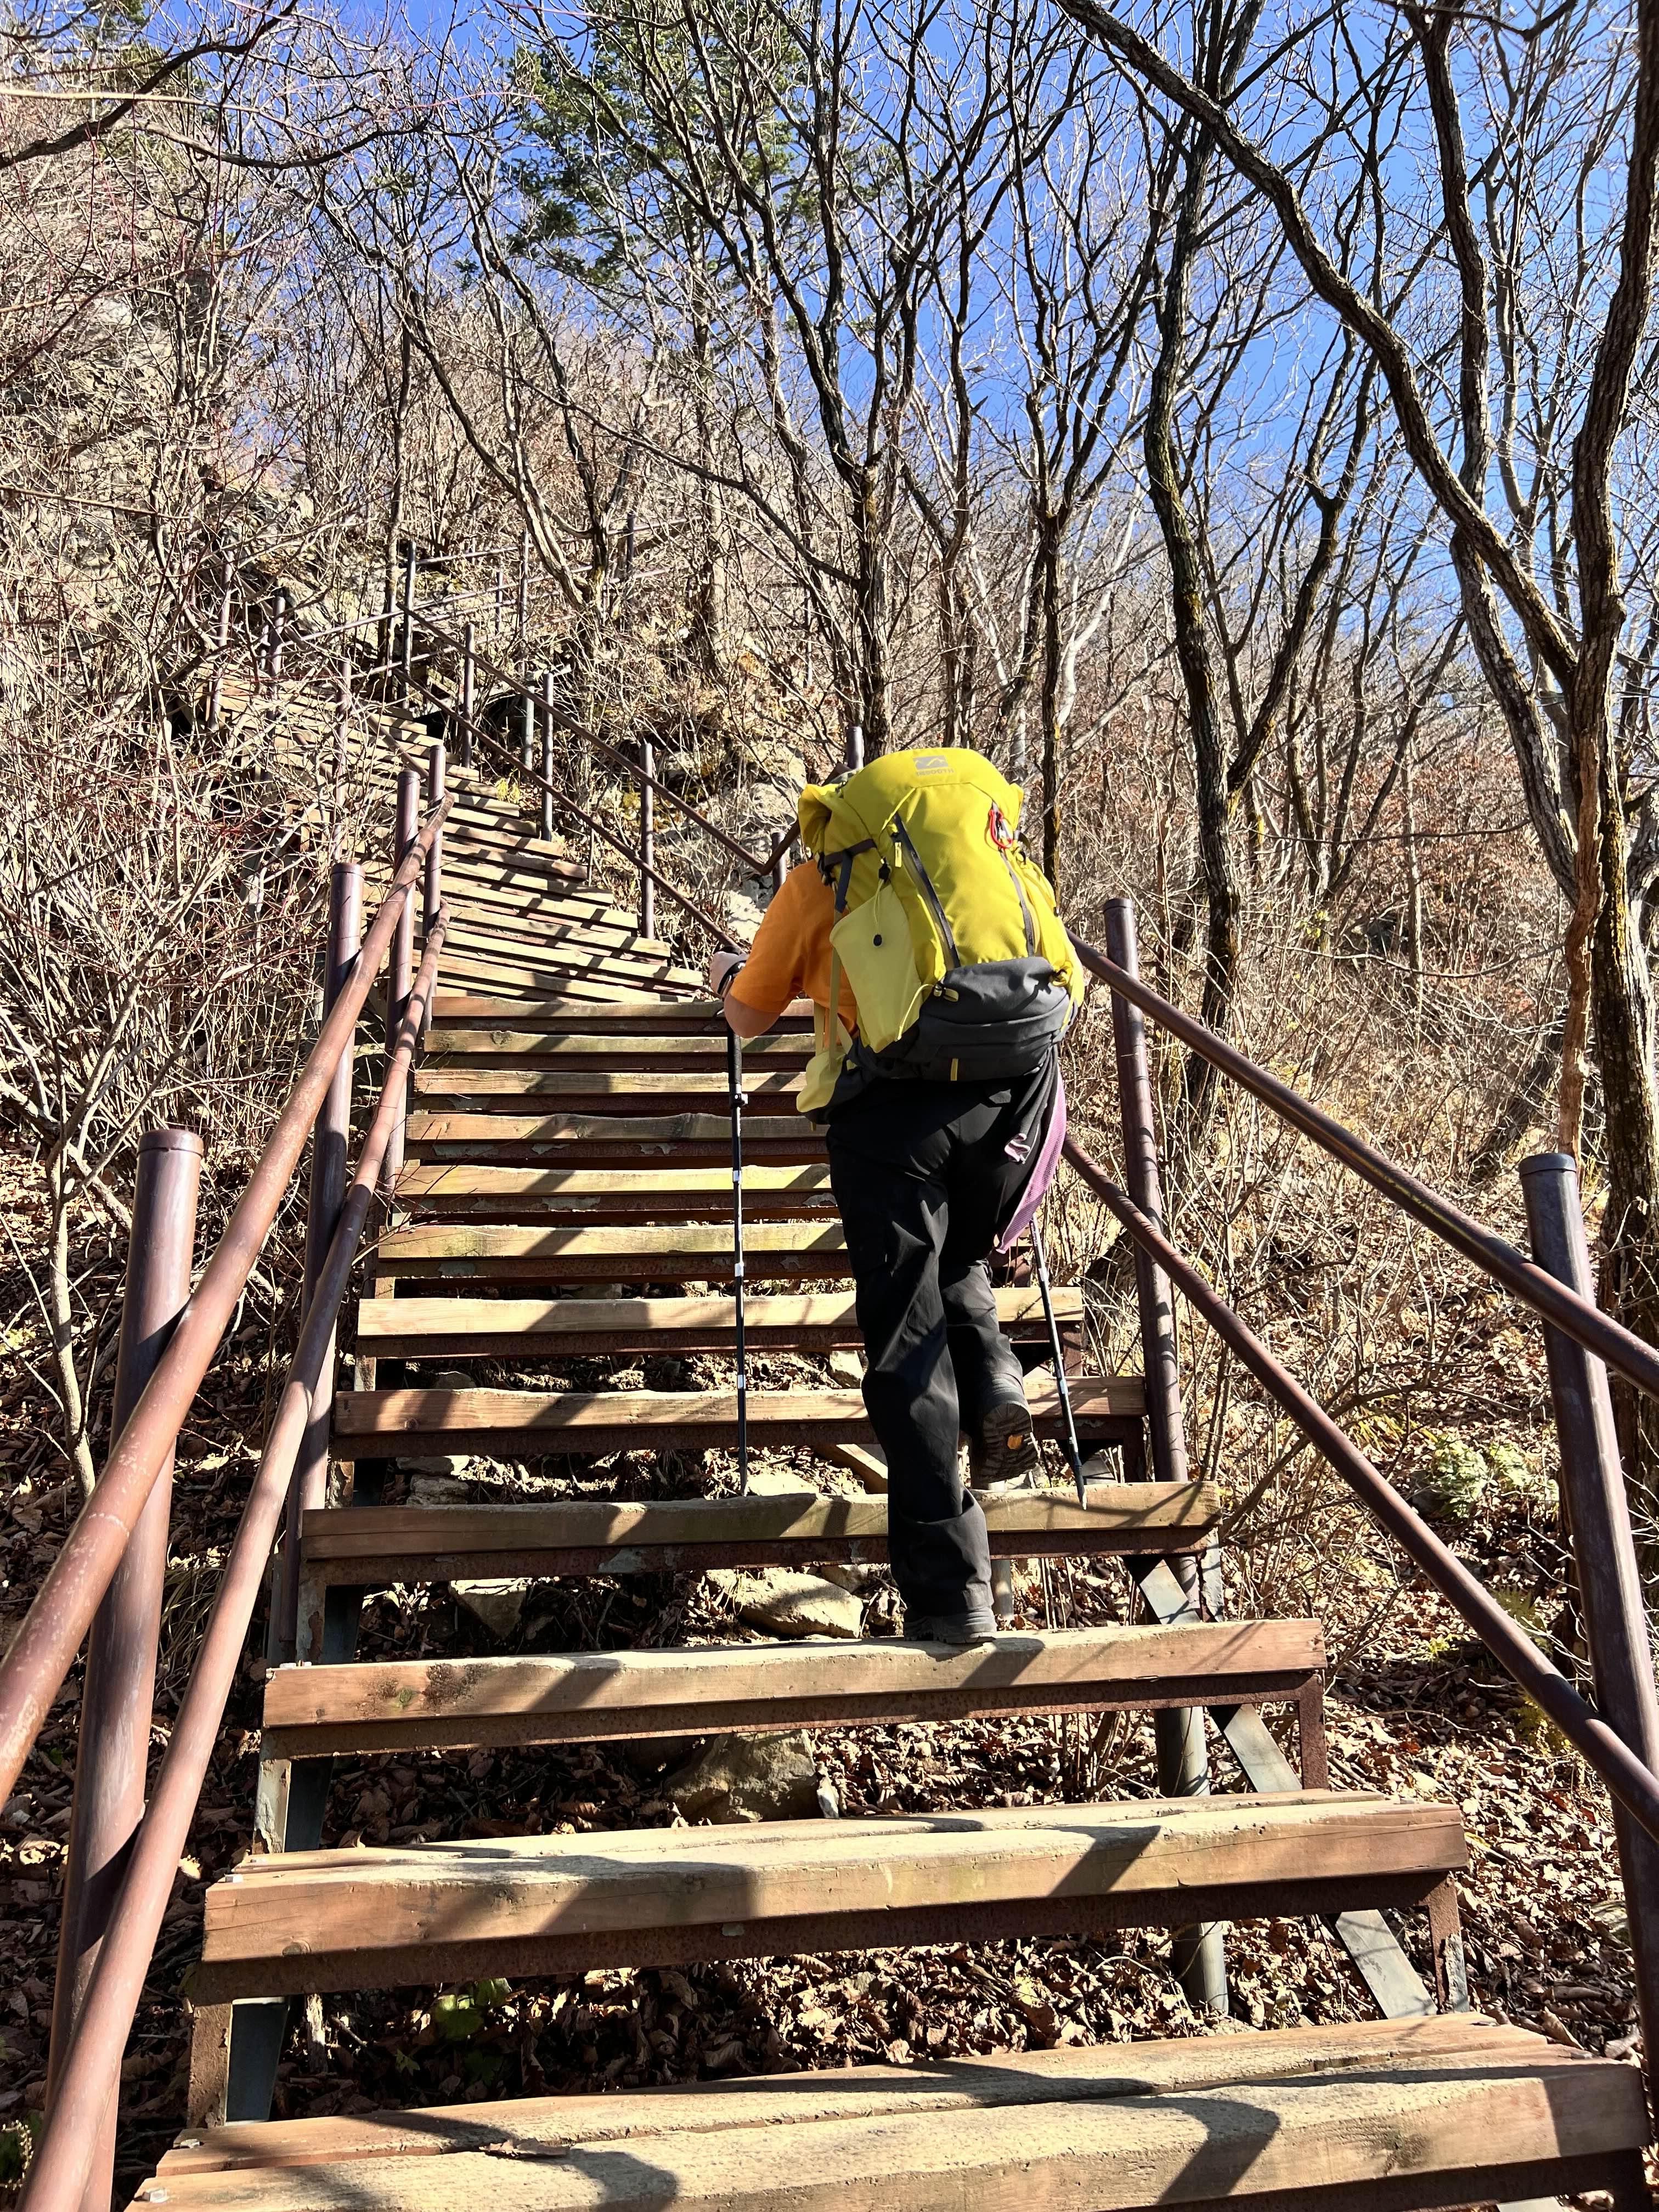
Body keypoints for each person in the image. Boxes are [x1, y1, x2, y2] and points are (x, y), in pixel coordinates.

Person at [710, 853, 1062, 1644]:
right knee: (958, 1258)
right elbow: (1061, 971)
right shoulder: (994, 857)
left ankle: (951, 1594)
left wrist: (729, 974)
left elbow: (748, 1015)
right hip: (1007, 1109)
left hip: (891, 1122)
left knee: (908, 1338)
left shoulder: (826, 875)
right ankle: (995, 1380)